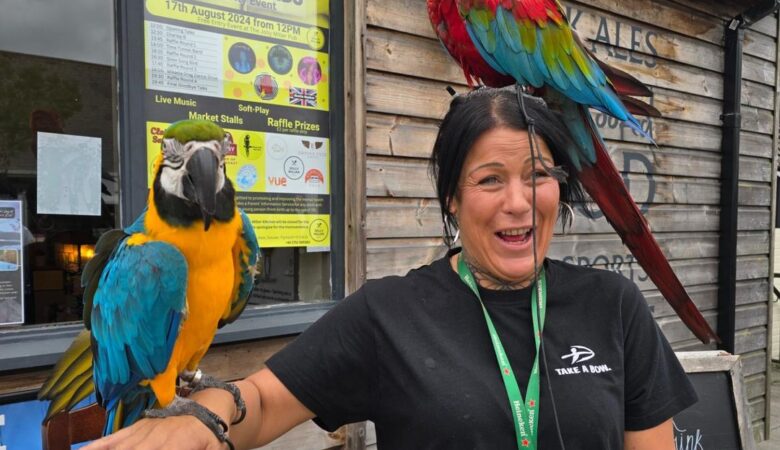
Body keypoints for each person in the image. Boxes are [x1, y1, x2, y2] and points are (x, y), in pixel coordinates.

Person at [84, 86, 696, 449]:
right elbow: (262, 402)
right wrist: (198, 421)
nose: (518, 201)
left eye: (539, 176)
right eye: (489, 180)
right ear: (452, 200)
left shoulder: (614, 304)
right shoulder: (388, 313)